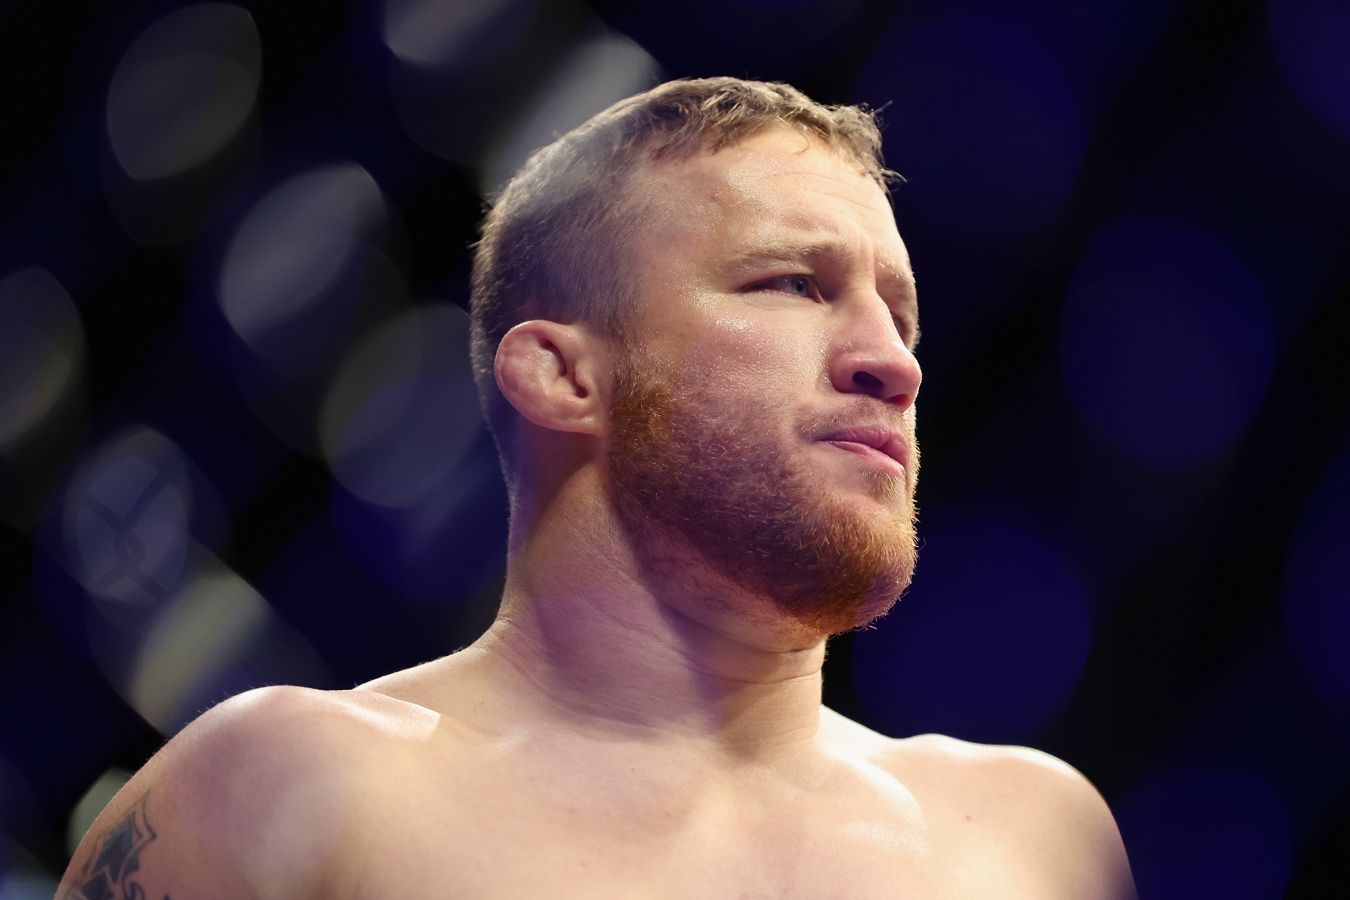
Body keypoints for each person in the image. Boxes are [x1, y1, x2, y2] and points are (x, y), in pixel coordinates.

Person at [59, 77, 1135, 899]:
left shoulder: (1029, 840)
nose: (892, 363)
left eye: (900, 317)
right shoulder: (292, 790)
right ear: (563, 375)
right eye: (793, 284)